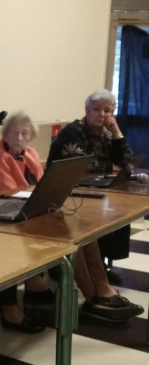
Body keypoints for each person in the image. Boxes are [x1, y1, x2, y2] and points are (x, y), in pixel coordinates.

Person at [46, 89, 143, 323]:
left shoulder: (106, 133)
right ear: (87, 111)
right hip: (59, 196)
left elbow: (126, 160)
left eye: (108, 111)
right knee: (81, 233)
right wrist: (111, 166)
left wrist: (117, 131)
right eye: (97, 109)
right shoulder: (73, 131)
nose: (102, 115)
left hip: (86, 194)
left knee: (91, 232)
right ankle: (96, 298)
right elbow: (82, 165)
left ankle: (101, 293)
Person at [0, 111, 57, 332]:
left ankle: (35, 281)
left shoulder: (30, 153)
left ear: (31, 136)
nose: (19, 138)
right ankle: (10, 307)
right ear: (5, 134)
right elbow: (8, 192)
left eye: (25, 133)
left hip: (24, 212)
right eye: (14, 132)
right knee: (16, 243)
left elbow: (41, 183)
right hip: (0, 216)